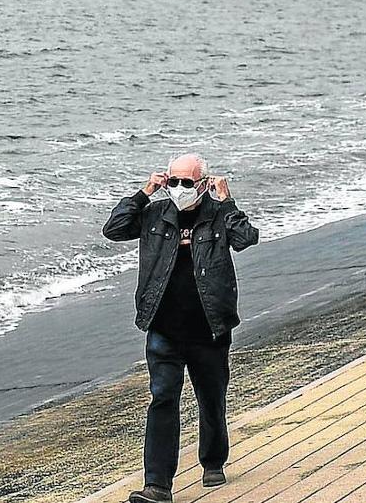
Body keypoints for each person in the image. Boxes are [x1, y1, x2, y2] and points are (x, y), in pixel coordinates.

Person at [102, 152, 260, 503]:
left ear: (202, 184)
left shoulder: (219, 215)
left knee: (211, 398)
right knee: (162, 399)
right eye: (173, 182)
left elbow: (246, 237)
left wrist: (227, 200)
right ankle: (157, 486)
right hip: (163, 328)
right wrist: (145, 192)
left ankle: (213, 460)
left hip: (209, 328)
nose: (178, 188)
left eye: (187, 182)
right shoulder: (155, 214)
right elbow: (113, 229)